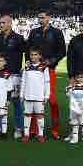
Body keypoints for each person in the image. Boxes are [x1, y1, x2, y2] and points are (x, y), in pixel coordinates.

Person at [27, 11, 66, 139]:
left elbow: (62, 51)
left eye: (43, 17)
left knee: (52, 100)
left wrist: (51, 61)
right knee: (33, 98)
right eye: (39, 18)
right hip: (35, 71)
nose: (41, 20)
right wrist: (29, 63)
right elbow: (28, 50)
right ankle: (33, 129)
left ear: (49, 18)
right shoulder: (34, 32)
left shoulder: (56, 32)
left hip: (49, 71)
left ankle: (55, 130)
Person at [0, 14, 27, 138]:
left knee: (16, 103)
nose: (1, 25)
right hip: (0, 76)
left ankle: (18, 128)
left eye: (3, 23)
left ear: (10, 23)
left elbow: (26, 54)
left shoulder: (18, 38)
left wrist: (25, 67)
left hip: (14, 74)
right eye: (0, 23)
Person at [21, 47, 50, 142]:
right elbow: (23, 81)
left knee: (40, 116)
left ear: (40, 56)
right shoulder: (27, 67)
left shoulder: (44, 67)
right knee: (27, 115)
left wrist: (47, 95)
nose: (33, 56)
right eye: (32, 55)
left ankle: (40, 134)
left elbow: (47, 82)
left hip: (39, 96)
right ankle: (26, 134)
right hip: (28, 95)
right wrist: (22, 94)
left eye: (35, 54)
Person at [67, 76, 83, 145]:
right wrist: (72, 87)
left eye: (82, 77)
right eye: (78, 77)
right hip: (74, 109)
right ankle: (75, 137)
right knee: (75, 124)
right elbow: (68, 94)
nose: (80, 79)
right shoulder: (71, 87)